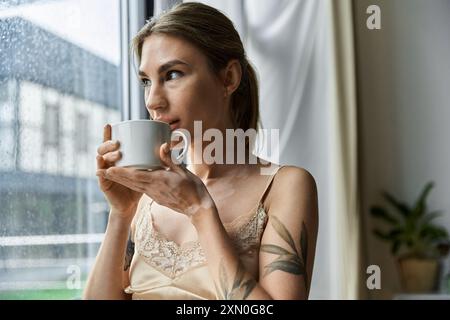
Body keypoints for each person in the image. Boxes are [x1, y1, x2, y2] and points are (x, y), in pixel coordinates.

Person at [83, 2, 318, 300]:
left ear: (228, 78)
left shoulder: (286, 186)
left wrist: (200, 211)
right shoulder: (146, 196)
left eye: (172, 75)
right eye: (146, 81)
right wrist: (121, 212)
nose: (152, 101)